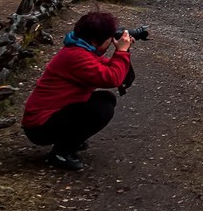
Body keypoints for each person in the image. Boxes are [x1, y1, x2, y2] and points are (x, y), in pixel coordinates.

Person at [22, 11, 134, 171]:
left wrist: (125, 52)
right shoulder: (77, 56)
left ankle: (71, 139)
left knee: (106, 98)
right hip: (40, 126)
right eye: (110, 40)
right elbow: (112, 78)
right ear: (96, 41)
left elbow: (114, 70)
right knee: (102, 109)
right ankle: (61, 153)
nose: (111, 43)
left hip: (50, 116)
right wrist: (121, 52)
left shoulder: (81, 49)